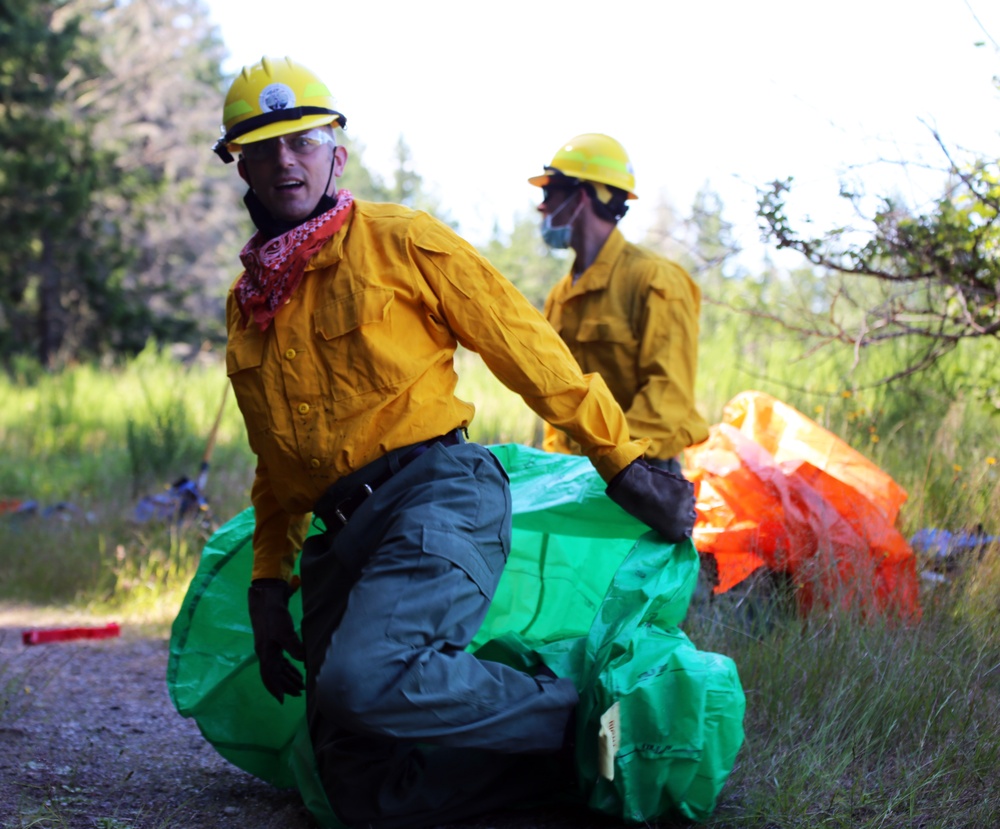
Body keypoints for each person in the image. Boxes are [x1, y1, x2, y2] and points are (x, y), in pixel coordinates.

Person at [214, 57, 696, 829]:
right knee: (359, 791)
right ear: (238, 163)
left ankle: (588, 712)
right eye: (261, 146)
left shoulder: (402, 241)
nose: (283, 160)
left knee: (361, 680)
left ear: (337, 151)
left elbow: (523, 346)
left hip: (434, 494)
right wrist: (269, 583)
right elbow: (279, 456)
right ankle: (570, 775)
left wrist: (624, 461)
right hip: (338, 538)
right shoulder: (250, 304)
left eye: (302, 141)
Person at [528, 134, 709, 474]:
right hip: (575, 476)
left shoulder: (655, 280)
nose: (542, 205)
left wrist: (612, 461)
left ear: (582, 195)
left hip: (642, 474)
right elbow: (557, 395)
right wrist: (557, 464)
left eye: (550, 191)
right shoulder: (560, 296)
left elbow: (667, 396)